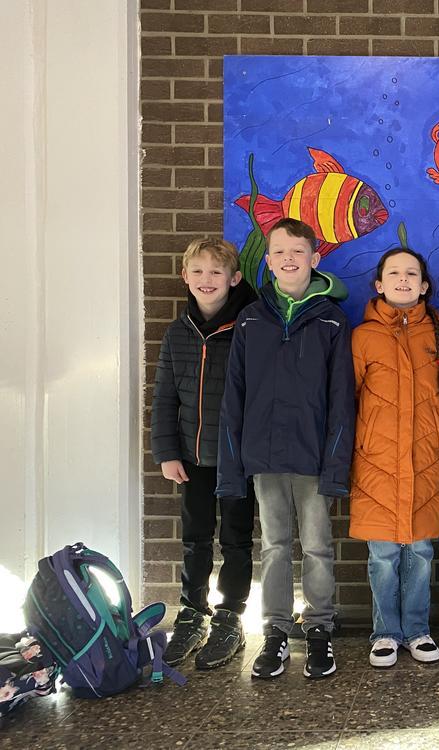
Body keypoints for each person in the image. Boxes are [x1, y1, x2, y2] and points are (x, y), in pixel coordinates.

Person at [216, 218, 355, 680]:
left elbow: (341, 400)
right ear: (268, 260)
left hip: (313, 457)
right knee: (274, 545)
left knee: (317, 546)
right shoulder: (252, 319)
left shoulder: (332, 319)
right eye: (279, 251)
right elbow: (234, 394)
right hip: (264, 457)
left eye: (298, 251)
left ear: (315, 259)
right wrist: (233, 465)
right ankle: (274, 632)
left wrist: (336, 464)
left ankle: (319, 629)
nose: (289, 258)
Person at [152, 237, 257, 670]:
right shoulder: (177, 333)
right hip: (191, 459)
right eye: (197, 272)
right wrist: (166, 452)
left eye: (216, 272)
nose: (206, 280)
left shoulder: (249, 328)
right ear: (185, 278)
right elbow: (163, 400)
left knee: (236, 540)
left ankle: (230, 615)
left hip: (236, 460)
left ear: (233, 279)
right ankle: (193, 612)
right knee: (195, 540)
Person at [350, 248, 439, 668]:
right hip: (378, 464)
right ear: (379, 285)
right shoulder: (363, 337)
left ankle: (416, 629)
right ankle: (385, 632)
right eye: (394, 273)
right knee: (383, 554)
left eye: (412, 273)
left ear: (425, 285)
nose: (403, 279)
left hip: (426, 461)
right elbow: (351, 400)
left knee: (421, 552)